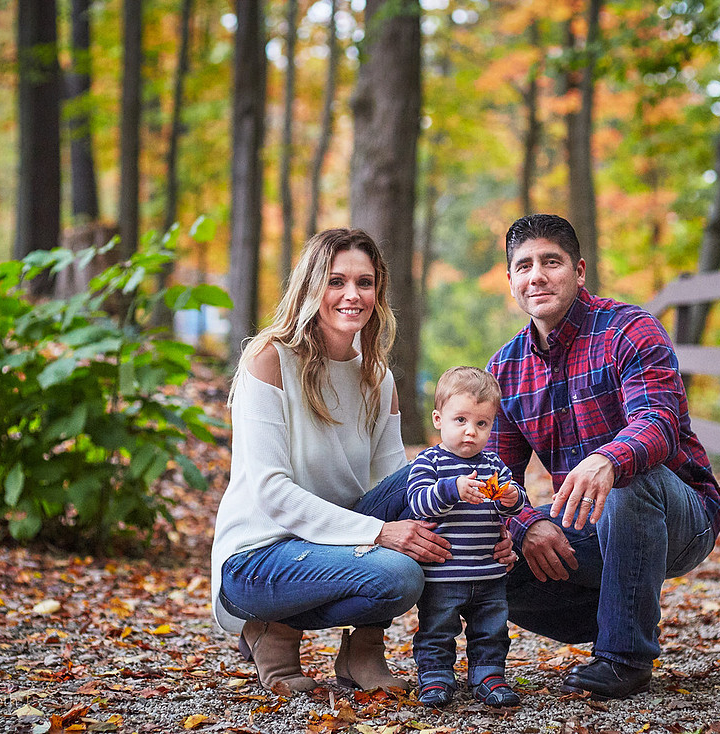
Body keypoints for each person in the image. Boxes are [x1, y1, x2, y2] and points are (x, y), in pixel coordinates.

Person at [211, 229, 514, 695]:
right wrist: (379, 534)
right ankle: (274, 628)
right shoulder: (268, 360)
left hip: (339, 547)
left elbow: (402, 495)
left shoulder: (377, 377)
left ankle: (362, 650)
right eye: (336, 281)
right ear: (311, 286)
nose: (353, 295)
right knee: (398, 573)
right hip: (259, 557)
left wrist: (488, 530)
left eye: (365, 283)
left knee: (411, 484)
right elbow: (269, 491)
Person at [486, 214, 720, 700]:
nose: (537, 276)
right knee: (483, 557)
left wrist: (610, 459)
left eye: (551, 262)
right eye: (524, 265)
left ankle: (624, 658)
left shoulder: (629, 330)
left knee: (629, 480)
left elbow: (660, 422)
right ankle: (615, 611)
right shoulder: (504, 369)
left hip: (680, 516)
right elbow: (494, 474)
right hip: (586, 529)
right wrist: (526, 524)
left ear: (578, 270)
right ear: (510, 279)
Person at [406, 367, 528, 709]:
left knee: (491, 630)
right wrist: (452, 489)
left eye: (482, 423)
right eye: (460, 420)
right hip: (444, 574)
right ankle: (435, 677)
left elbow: (514, 505)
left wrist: (510, 498)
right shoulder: (429, 462)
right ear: (438, 419)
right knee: (437, 630)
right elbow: (417, 503)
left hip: (488, 574)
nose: (470, 432)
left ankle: (488, 675)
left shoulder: (493, 465)